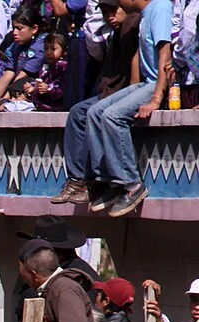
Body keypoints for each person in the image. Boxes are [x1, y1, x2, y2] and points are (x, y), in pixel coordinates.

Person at [52, 0, 170, 217]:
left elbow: (165, 54)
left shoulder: (160, 7)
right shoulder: (144, 14)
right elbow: (139, 57)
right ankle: (102, 181)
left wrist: (156, 98)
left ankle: (130, 182)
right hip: (143, 84)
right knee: (93, 112)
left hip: (154, 84)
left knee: (112, 116)